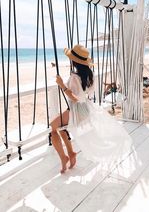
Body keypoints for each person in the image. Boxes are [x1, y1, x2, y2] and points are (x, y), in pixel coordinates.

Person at [49, 44, 132, 174]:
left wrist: (62, 85)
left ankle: (64, 158)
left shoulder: (75, 77)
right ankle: (70, 153)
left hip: (77, 109)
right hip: (85, 108)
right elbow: (87, 93)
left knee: (53, 128)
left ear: (74, 61)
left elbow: (75, 97)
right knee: (60, 127)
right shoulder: (90, 75)